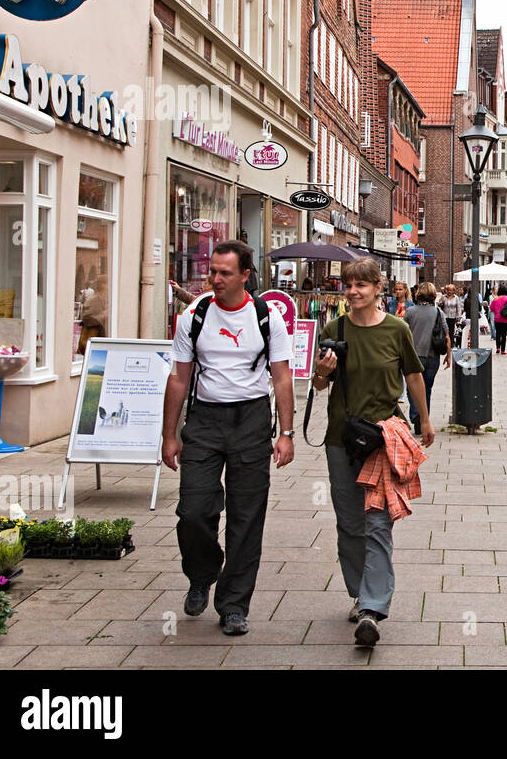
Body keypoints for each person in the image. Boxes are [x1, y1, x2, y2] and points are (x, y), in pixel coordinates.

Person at [161, 240, 295, 637]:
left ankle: (234, 604)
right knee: (193, 510)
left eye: (224, 273)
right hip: (204, 420)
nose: (215, 279)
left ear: (245, 276)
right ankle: (203, 572)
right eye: (212, 271)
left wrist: (286, 434)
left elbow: (282, 376)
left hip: (251, 419)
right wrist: (169, 434)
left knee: (246, 516)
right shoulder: (195, 315)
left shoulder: (266, 316)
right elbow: (178, 377)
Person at [311, 258, 435, 647]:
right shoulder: (335, 328)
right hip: (341, 439)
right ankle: (358, 592)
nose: (352, 292)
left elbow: (413, 375)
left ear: (378, 288)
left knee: (378, 524)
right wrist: (322, 371)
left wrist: (425, 421)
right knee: (349, 524)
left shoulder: (396, 329)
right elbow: (318, 386)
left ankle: (372, 607)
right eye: (348, 285)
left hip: (384, 438)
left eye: (361, 285)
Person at [405, 282, 451, 433]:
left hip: (413, 356)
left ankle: (415, 414)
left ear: (418, 294)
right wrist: (448, 356)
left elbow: (402, 335)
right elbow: (446, 336)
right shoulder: (438, 312)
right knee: (427, 389)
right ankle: (424, 419)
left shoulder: (410, 312)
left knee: (412, 388)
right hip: (433, 357)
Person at [490, 284, 507, 355]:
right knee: (503, 334)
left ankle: (497, 348)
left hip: (497, 319)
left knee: (497, 334)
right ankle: (503, 350)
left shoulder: (495, 299)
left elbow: (491, 308)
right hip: (505, 319)